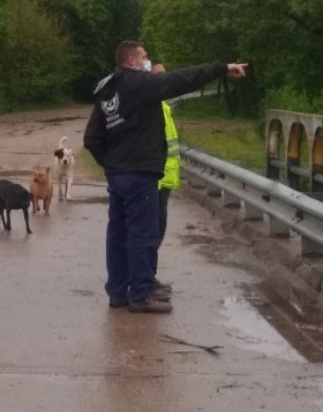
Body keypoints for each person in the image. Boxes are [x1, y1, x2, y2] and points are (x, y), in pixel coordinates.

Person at [83, 41, 247, 314]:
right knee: (142, 235)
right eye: (144, 57)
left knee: (118, 234)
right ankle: (140, 294)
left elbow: (91, 139)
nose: (148, 63)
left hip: (118, 175)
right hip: (140, 173)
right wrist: (221, 68)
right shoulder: (141, 84)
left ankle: (118, 293)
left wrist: (111, 164)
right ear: (132, 61)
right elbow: (182, 79)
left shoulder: (107, 89)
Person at [150, 60, 178, 292]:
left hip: (164, 181)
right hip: (155, 182)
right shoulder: (151, 107)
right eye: (158, 75)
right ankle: (146, 280)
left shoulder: (164, 107)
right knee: (151, 234)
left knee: (157, 233)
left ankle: (149, 277)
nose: (163, 79)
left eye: (164, 75)